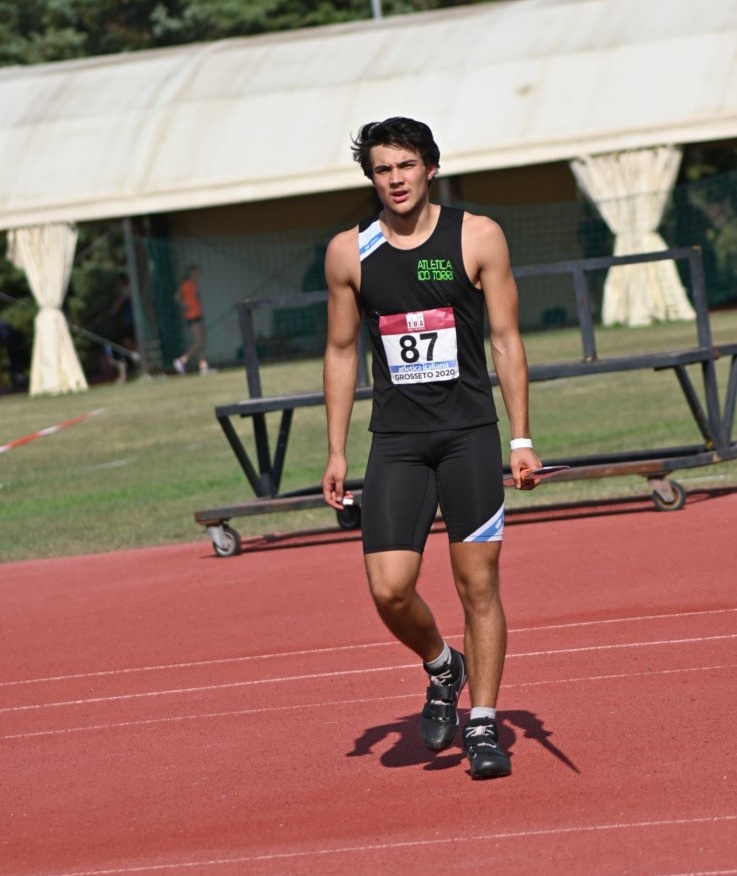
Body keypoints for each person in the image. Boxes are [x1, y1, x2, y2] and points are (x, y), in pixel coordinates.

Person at [321, 117, 541, 780]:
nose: (395, 179)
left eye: (406, 165)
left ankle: (483, 724)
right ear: (371, 178)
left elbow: (505, 338)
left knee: (478, 584)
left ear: (430, 168)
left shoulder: (476, 236)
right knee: (390, 590)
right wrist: (335, 451)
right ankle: (443, 666)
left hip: (468, 436)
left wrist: (521, 438)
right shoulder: (349, 252)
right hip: (397, 442)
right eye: (383, 169)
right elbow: (339, 351)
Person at [173, 265, 210, 374]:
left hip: (198, 314)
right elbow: (177, 296)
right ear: (191, 273)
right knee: (199, 342)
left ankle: (203, 367)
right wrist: (184, 305)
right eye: (196, 272)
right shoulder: (187, 284)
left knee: (202, 342)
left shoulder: (194, 285)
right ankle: (182, 360)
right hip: (192, 316)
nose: (198, 274)